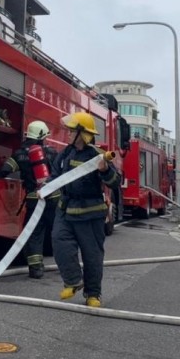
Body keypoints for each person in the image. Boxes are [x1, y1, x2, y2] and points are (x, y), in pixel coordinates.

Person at [52, 112, 119, 309]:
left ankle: (93, 294)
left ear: (82, 133)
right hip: (65, 211)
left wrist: (104, 170)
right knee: (59, 242)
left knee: (92, 255)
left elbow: (115, 182)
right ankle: (73, 281)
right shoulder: (65, 154)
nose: (68, 133)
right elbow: (55, 176)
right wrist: (45, 189)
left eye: (72, 130)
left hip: (90, 213)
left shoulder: (97, 156)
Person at [0, 120, 59, 279]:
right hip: (54, 198)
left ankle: (36, 269)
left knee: (33, 234)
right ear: (42, 136)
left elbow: (4, 171)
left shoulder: (19, 154)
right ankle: (67, 264)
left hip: (34, 199)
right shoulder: (52, 152)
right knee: (60, 232)